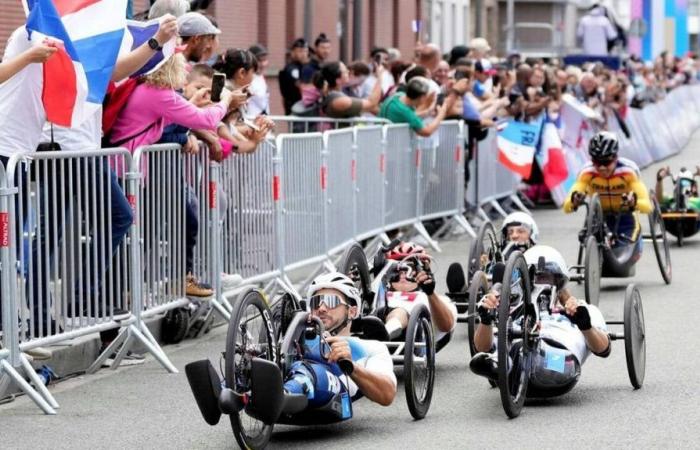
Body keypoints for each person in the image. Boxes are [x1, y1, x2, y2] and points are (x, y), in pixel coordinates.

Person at [470, 245, 611, 397]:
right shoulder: (512, 310)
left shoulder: (583, 309)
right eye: (533, 278)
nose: (538, 283)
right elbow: (481, 348)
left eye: (544, 277)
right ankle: (502, 363)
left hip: (559, 363)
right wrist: (486, 320)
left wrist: (585, 326)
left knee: (525, 346)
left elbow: (603, 349)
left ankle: (509, 360)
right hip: (512, 359)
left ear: (558, 281)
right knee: (501, 347)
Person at [283, 272, 397, 408]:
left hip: (330, 385)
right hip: (286, 377)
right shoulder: (298, 337)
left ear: (352, 312)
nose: (322, 308)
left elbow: (387, 394)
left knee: (312, 373)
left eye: (331, 301)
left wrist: (351, 366)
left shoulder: (372, 348)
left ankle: (289, 390)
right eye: (316, 302)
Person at [564, 132, 651, 247]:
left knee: (622, 247)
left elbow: (647, 207)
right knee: (588, 242)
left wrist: (634, 203)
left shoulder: (628, 171)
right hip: (599, 217)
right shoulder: (587, 172)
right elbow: (567, 207)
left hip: (624, 216)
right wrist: (574, 200)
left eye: (606, 162)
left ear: (615, 158)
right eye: (596, 162)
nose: (601, 168)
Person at [377, 242, 457, 341]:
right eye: (397, 269)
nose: (403, 274)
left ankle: (385, 333)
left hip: (409, 337)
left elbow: (446, 326)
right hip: (372, 322)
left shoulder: (432, 298)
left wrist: (430, 293)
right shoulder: (378, 292)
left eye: (410, 268)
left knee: (400, 312)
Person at [379, 77, 458, 137]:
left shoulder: (396, 97)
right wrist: (441, 114)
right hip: (394, 147)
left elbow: (412, 116)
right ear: (422, 97)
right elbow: (427, 132)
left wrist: (428, 111)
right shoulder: (406, 112)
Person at [312, 61, 385, 118]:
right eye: (345, 71)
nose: (348, 72)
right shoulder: (338, 100)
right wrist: (379, 78)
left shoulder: (335, 95)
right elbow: (371, 104)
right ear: (338, 80)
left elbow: (371, 107)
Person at [246, 44, 270, 118]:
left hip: (263, 122)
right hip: (250, 121)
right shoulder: (246, 79)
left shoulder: (261, 77)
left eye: (264, 60)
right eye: (259, 60)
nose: (262, 64)